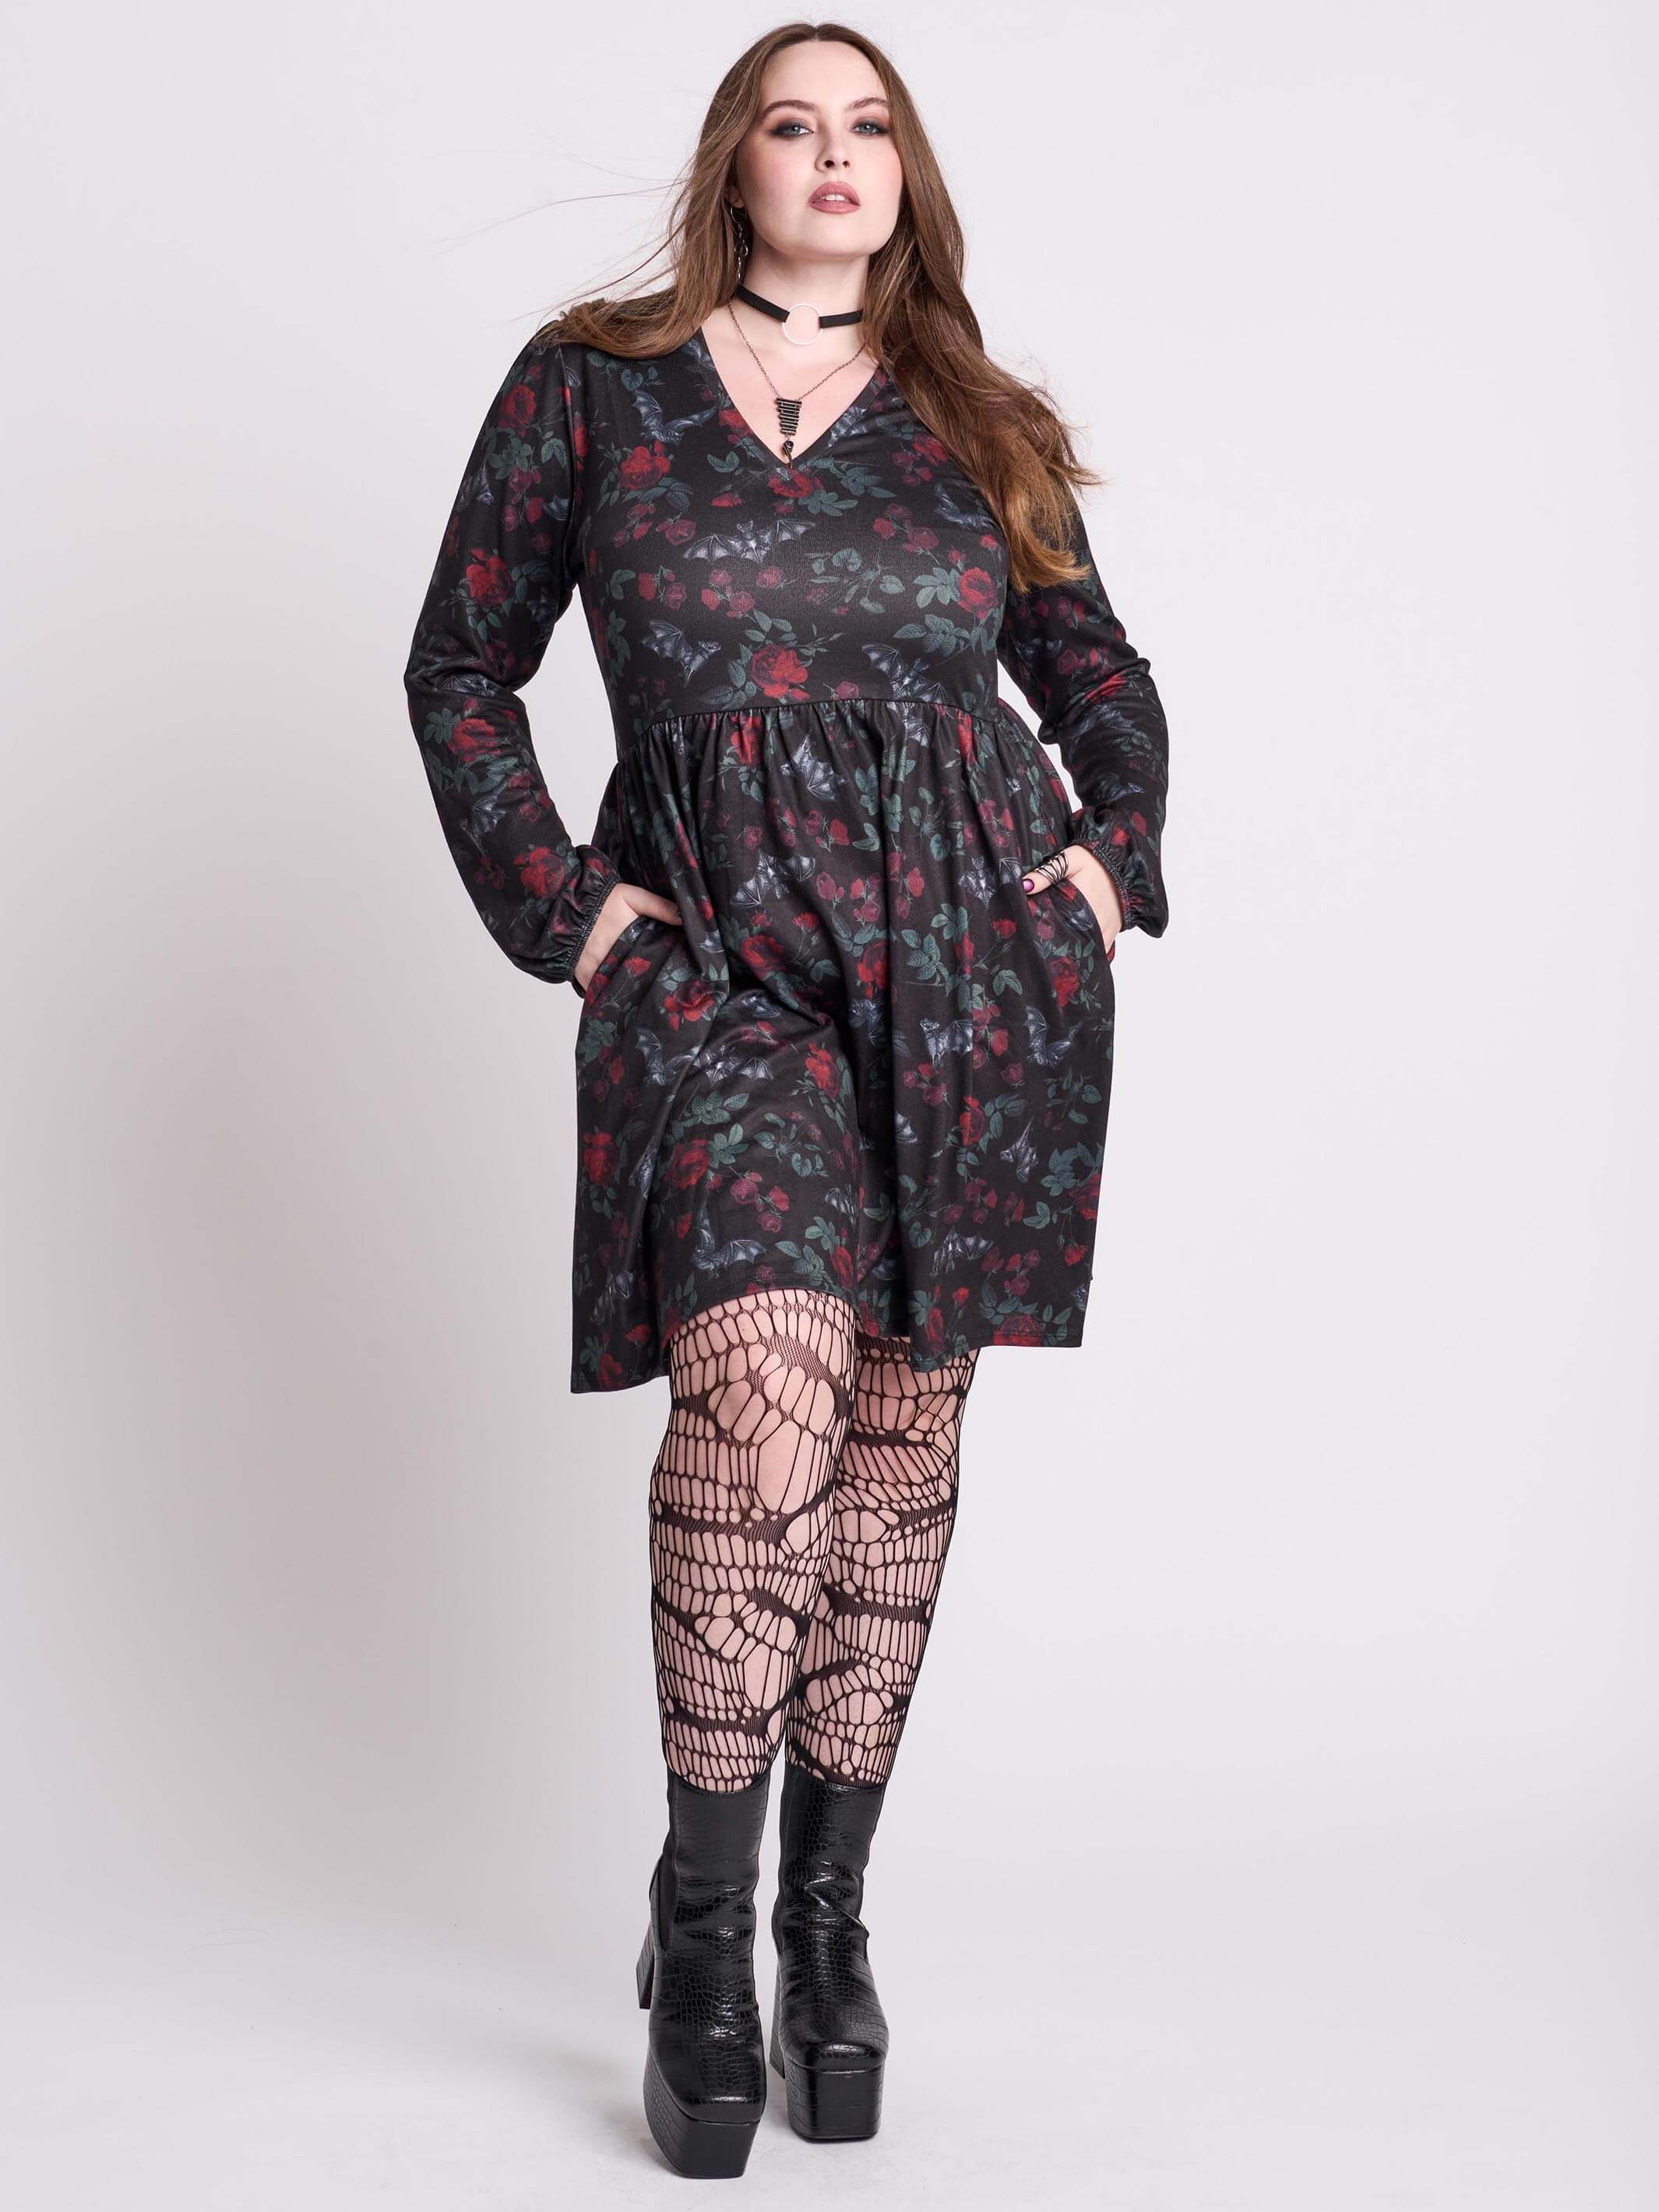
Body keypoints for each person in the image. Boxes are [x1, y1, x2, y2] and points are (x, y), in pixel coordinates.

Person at [402, 21, 1170, 2179]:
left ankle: (827, 1924)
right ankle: (702, 1922)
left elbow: (1098, 679)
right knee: (760, 1393)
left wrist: (1108, 861)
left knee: (898, 1439)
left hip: (965, 987)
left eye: (870, 128)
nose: (835, 156)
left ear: (905, 175)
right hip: (718, 978)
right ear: (729, 164)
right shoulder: (595, 387)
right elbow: (460, 666)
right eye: (791, 123)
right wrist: (569, 913)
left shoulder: (977, 418)